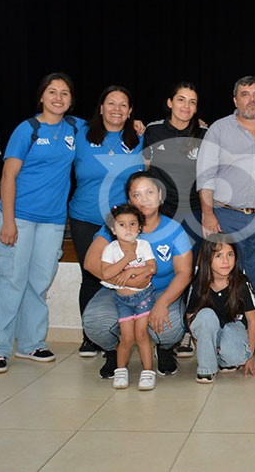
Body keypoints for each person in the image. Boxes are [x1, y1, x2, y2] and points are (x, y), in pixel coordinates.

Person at [0, 73, 84, 373]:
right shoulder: (27, 129)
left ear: (71, 100)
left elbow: (109, 125)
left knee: (38, 283)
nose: (58, 97)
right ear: (41, 96)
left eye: (65, 93)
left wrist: (137, 125)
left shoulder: (76, 128)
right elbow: (8, 177)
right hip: (20, 218)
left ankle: (31, 343)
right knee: (10, 281)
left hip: (53, 221)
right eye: (52, 92)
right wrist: (8, 222)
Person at [196, 75, 255, 360]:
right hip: (226, 217)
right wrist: (208, 214)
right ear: (235, 100)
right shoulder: (219, 130)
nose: (252, 99)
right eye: (245, 94)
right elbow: (205, 175)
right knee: (224, 279)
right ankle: (223, 336)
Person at [82, 171, 193, 379]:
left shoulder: (174, 230)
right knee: (95, 322)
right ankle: (115, 352)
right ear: (129, 200)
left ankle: (165, 350)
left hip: (160, 292)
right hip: (119, 292)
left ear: (160, 195)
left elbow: (184, 273)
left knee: (169, 328)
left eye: (149, 192)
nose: (144, 200)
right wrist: (122, 281)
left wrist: (163, 303)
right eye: (136, 195)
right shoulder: (118, 224)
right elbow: (90, 262)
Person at [68, 85, 143, 358]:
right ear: (101, 108)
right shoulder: (80, 135)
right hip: (85, 218)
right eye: (111, 103)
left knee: (125, 275)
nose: (117, 109)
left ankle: (122, 336)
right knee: (91, 276)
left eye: (123, 105)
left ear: (130, 111)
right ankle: (90, 336)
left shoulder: (139, 139)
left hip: (123, 225)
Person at [143, 82, 206, 359]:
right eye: (181, 100)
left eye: (192, 102)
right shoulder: (153, 131)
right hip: (161, 215)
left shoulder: (204, 134)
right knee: (160, 271)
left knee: (191, 274)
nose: (186, 107)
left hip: (194, 215)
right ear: (170, 102)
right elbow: (144, 172)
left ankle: (183, 334)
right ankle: (157, 332)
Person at [186, 234, 255, 383]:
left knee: (236, 356)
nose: (225, 261)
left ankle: (224, 360)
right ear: (207, 258)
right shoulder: (199, 284)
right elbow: (190, 317)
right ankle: (207, 369)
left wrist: (250, 356)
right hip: (209, 328)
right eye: (218, 256)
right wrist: (201, 347)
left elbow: (252, 321)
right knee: (205, 315)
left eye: (230, 255)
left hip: (232, 329)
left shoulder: (241, 284)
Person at [100, 204, 158, 390]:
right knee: (126, 338)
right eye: (122, 225)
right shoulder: (111, 249)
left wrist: (130, 272)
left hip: (143, 297)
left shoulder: (144, 245)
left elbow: (152, 268)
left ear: (140, 227)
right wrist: (127, 259)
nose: (128, 229)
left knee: (141, 335)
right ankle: (120, 370)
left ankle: (148, 372)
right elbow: (107, 273)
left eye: (133, 224)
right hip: (122, 300)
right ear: (113, 229)